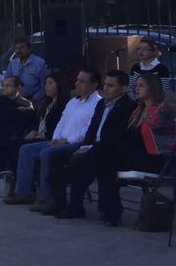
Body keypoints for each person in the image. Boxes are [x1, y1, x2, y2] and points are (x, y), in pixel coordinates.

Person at [9, 70, 101, 212]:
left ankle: (50, 200)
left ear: (94, 85)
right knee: (25, 150)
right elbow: (62, 122)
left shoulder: (97, 103)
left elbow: (89, 129)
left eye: (82, 81)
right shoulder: (73, 102)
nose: (77, 83)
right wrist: (56, 138)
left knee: (47, 153)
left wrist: (65, 141)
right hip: (59, 141)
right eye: (77, 80)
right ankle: (24, 193)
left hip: (76, 144)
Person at [50, 70, 136, 222]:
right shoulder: (102, 103)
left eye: (111, 85)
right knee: (57, 156)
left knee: (81, 162)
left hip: (112, 149)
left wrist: (91, 148)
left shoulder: (128, 106)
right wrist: (87, 145)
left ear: (123, 88)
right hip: (94, 147)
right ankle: (59, 202)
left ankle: (73, 196)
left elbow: (117, 136)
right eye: (105, 85)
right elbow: (92, 129)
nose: (106, 89)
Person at [7, 37, 48, 102]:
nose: (18, 50)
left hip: (33, 100)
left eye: (21, 47)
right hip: (14, 100)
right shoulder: (12, 64)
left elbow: (44, 85)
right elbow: (6, 82)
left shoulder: (39, 63)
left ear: (29, 49)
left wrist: (33, 100)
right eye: (16, 48)